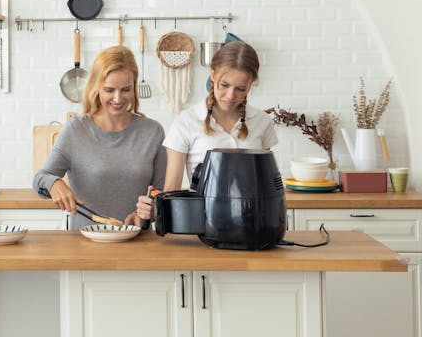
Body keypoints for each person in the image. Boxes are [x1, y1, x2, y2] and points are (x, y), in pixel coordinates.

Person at [135, 41, 277, 221]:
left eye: (241, 89)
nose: (231, 96)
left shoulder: (261, 122)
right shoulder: (186, 122)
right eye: (224, 85)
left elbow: (267, 182)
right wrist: (153, 209)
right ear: (213, 75)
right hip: (203, 225)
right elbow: (171, 191)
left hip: (254, 224)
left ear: (251, 84)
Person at [33, 45, 166, 229]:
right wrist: (55, 184)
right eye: (109, 90)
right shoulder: (76, 129)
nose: (118, 99)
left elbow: (162, 196)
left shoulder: (153, 132)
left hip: (137, 244)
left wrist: (147, 213)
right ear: (96, 87)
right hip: (84, 245)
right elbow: (40, 179)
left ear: (134, 87)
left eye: (126, 90)